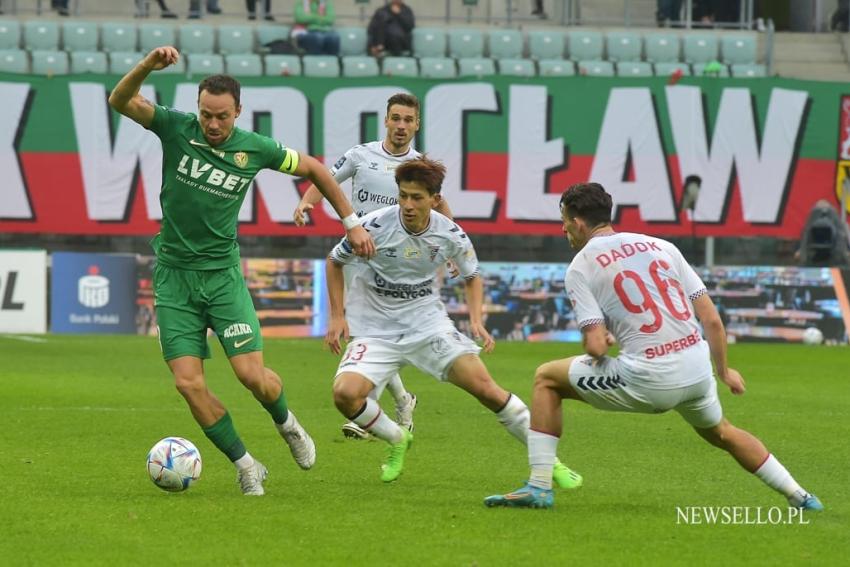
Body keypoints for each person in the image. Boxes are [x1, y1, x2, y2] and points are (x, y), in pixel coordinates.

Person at [107, 46, 375, 496]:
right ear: (197, 108)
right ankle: (247, 464)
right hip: (174, 278)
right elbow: (119, 100)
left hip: (223, 278)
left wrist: (350, 221)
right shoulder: (175, 128)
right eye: (207, 115)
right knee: (187, 384)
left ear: (238, 113)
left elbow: (312, 168)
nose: (214, 125)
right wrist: (147, 67)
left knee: (254, 378)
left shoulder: (255, 148)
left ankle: (287, 423)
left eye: (223, 117)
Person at [484, 183, 823, 510]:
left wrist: (600, 339)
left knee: (546, 378)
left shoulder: (581, 266)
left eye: (563, 223)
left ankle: (539, 487)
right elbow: (712, 320)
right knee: (722, 432)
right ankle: (800, 494)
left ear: (577, 222)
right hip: (697, 369)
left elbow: (597, 350)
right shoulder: (661, 246)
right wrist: (725, 371)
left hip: (650, 378)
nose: (563, 231)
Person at [325, 157, 583, 488]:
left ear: (435, 200)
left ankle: (552, 464)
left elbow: (472, 276)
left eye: (417, 197)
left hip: (427, 325)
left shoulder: (451, 234)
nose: (407, 204)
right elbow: (335, 261)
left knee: (487, 389)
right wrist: (336, 316)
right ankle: (397, 439)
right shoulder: (373, 225)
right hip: (375, 328)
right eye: (403, 195)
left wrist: (476, 321)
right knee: (345, 395)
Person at [295, 93, 441, 441]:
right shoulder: (361, 155)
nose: (402, 126)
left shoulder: (420, 165)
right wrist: (306, 202)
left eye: (408, 120)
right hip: (359, 253)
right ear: (386, 120)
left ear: (416, 124)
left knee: (370, 333)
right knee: (370, 333)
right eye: (396, 118)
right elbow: (326, 181)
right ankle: (403, 401)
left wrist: (449, 248)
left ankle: (365, 410)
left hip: (399, 262)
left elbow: (439, 205)